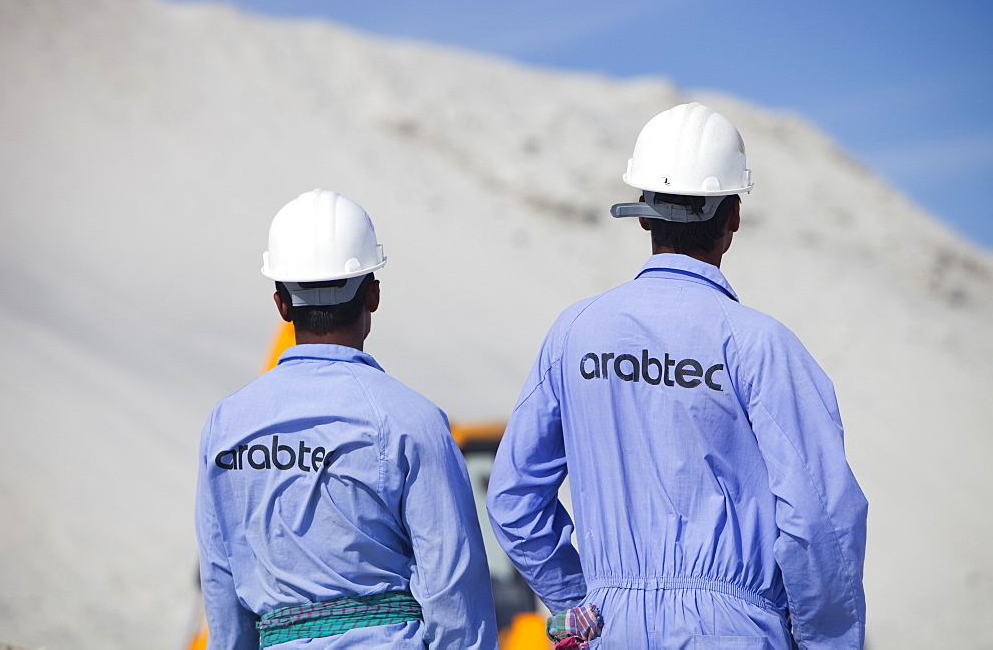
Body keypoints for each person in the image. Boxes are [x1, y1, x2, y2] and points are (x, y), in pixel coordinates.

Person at [486, 103, 868, 649]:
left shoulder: (575, 334)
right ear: (733, 214)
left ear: (642, 212)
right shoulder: (761, 346)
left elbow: (513, 500)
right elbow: (820, 521)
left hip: (612, 629)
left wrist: (582, 603)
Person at [195, 189, 498, 649]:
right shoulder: (413, 421)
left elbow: (221, 584)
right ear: (372, 295)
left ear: (280, 304)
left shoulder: (227, 425)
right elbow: (453, 589)